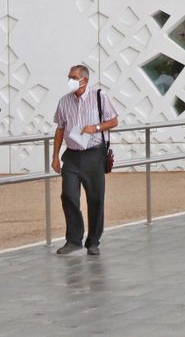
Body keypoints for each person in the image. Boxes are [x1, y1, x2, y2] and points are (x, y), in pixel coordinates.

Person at [51, 64, 118, 256]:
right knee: (68, 195)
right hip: (71, 156)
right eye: (69, 77)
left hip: (94, 154)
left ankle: (93, 241)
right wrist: (55, 155)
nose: (70, 80)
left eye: (73, 77)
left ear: (84, 80)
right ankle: (73, 240)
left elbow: (114, 121)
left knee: (95, 199)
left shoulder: (99, 96)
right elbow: (60, 128)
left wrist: (95, 128)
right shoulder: (64, 102)